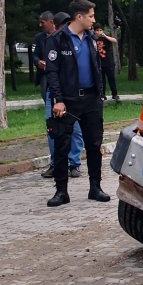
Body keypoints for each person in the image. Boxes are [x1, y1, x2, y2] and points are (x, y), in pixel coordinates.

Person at [45, 0, 111, 207]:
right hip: (68, 100)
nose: (94, 19)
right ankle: (61, 191)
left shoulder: (91, 37)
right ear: (79, 16)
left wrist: (100, 94)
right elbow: (52, 72)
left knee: (93, 144)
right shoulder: (58, 39)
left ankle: (95, 187)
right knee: (62, 144)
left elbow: (97, 67)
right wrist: (58, 99)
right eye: (90, 15)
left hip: (91, 99)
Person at [39, 11, 83, 179]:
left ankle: (74, 163)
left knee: (76, 129)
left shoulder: (77, 41)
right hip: (55, 91)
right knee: (54, 129)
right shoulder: (51, 41)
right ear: (56, 26)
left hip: (73, 92)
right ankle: (56, 163)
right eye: (62, 24)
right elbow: (52, 71)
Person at [94, 25, 120, 101]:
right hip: (99, 63)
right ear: (94, 31)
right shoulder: (93, 39)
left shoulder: (105, 38)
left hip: (109, 62)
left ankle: (114, 94)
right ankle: (102, 95)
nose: (99, 32)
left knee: (111, 78)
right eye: (97, 30)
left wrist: (105, 36)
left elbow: (115, 41)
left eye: (100, 30)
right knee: (101, 80)